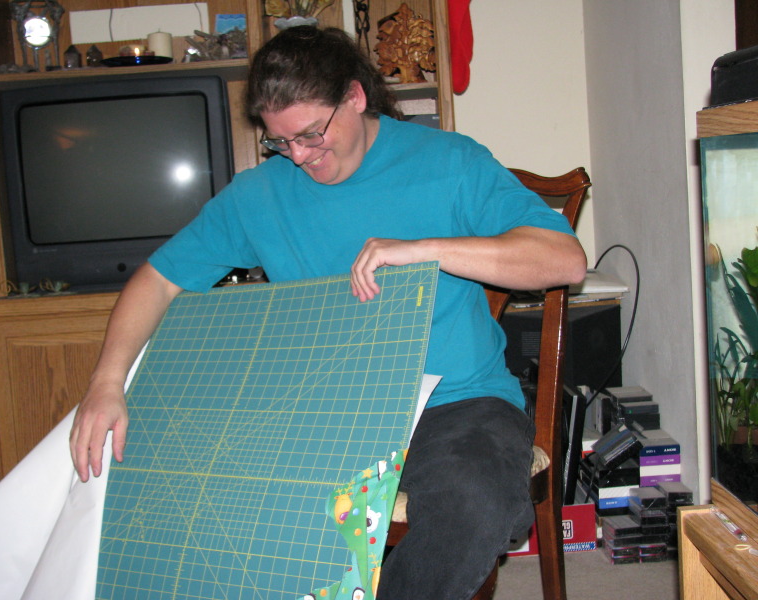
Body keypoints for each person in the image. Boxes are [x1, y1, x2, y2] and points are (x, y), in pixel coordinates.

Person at [70, 26, 587, 600]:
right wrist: (106, 382)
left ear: (356, 97)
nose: (299, 156)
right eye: (280, 141)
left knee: (471, 500)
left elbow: (564, 260)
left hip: (457, 403)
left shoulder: (449, 162)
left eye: (311, 134)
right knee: (200, 491)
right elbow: (159, 280)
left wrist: (425, 249)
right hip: (324, 410)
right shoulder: (259, 194)